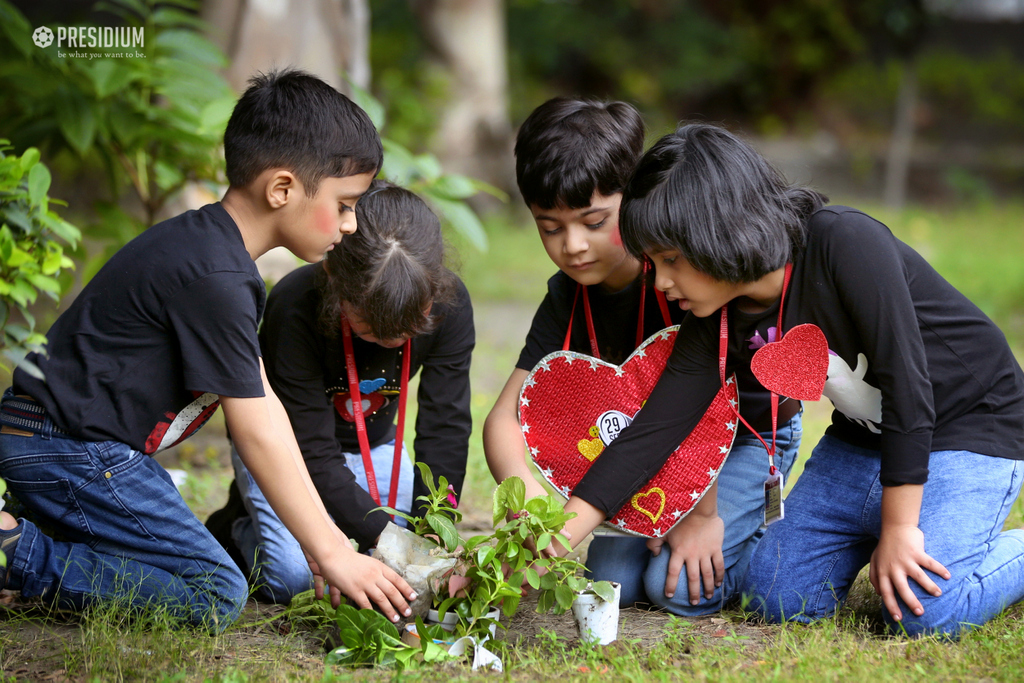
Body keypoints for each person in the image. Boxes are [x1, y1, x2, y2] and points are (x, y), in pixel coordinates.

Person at [566, 121, 1024, 637]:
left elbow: (908, 386)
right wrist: (547, 544)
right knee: (777, 598)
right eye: (653, 263)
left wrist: (900, 527)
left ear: (717, 233)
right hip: (862, 443)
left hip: (971, 426)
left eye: (670, 260)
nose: (663, 282)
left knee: (927, 613)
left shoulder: (845, 242)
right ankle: (894, 525)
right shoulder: (715, 316)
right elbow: (654, 431)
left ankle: (926, 528)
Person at [0, 69, 416, 631]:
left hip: (67, 445)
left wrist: (324, 540)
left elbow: (265, 403)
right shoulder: (216, 276)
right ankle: (13, 552)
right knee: (214, 592)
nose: (350, 224)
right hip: (70, 450)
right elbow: (255, 429)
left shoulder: (214, 254)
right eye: (345, 203)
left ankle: (36, 539)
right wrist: (335, 553)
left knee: (162, 571)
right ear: (282, 189)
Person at [482, 98, 802, 615]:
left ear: (634, 200)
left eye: (594, 221)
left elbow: (706, 411)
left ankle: (782, 536)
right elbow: (504, 418)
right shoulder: (567, 296)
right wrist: (529, 513)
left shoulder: (682, 277)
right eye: (551, 227)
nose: (574, 246)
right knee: (614, 582)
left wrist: (697, 514)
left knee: (674, 590)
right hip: (645, 452)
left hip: (740, 439)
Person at [207, 181, 474, 604]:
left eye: (412, 325)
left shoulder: (450, 303)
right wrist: (388, 541)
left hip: (376, 444)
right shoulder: (295, 306)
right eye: (371, 326)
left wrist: (431, 533)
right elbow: (311, 450)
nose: (393, 339)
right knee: (297, 579)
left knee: (392, 559)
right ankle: (241, 526)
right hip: (286, 447)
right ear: (334, 279)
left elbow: (446, 427)